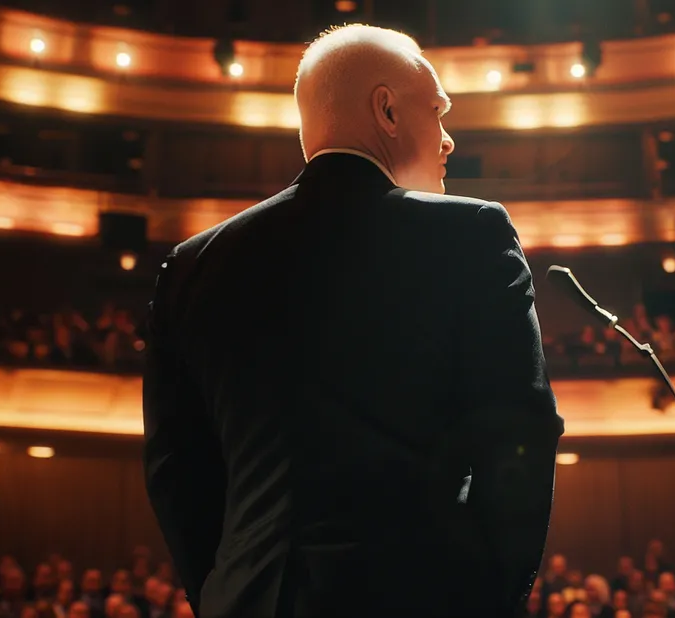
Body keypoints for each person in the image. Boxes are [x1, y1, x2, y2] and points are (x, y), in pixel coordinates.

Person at [141, 23, 563, 618]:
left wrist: (226, 593)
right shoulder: (472, 236)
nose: (447, 140)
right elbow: (521, 436)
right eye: (437, 112)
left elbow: (176, 472)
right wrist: (487, 599)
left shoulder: (192, 267)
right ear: (386, 110)